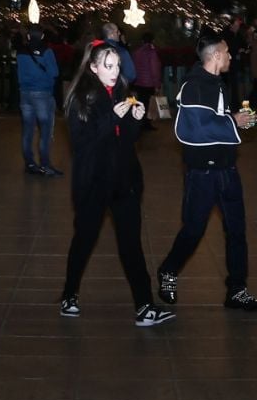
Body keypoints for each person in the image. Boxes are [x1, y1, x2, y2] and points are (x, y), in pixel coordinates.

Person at [57, 40, 173, 326]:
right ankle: (69, 294)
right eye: (108, 66)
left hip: (123, 180)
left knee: (131, 243)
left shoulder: (121, 90)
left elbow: (125, 141)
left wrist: (134, 120)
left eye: (118, 65)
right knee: (84, 239)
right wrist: (112, 118)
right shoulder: (81, 98)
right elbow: (83, 144)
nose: (114, 71)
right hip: (95, 181)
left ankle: (144, 306)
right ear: (94, 67)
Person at [156, 36, 257, 313]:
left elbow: (215, 122)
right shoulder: (193, 86)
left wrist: (239, 121)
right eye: (227, 52)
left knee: (237, 231)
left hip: (227, 169)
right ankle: (168, 269)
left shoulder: (218, 85)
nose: (231, 57)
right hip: (202, 173)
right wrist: (233, 122)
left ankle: (237, 290)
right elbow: (193, 130)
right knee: (194, 230)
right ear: (215, 56)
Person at [17, 26, 62, 175]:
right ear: (42, 36)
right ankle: (45, 164)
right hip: (42, 93)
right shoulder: (47, 51)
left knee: (28, 130)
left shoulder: (21, 51)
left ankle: (30, 163)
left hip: (25, 93)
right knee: (45, 130)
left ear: (28, 36)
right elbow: (54, 72)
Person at [130, 32, 162, 117]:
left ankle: (139, 121)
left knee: (139, 102)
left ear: (142, 41)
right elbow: (154, 70)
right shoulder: (152, 53)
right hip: (148, 83)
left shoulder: (136, 52)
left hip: (138, 82)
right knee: (147, 104)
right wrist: (157, 85)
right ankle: (146, 123)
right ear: (152, 41)